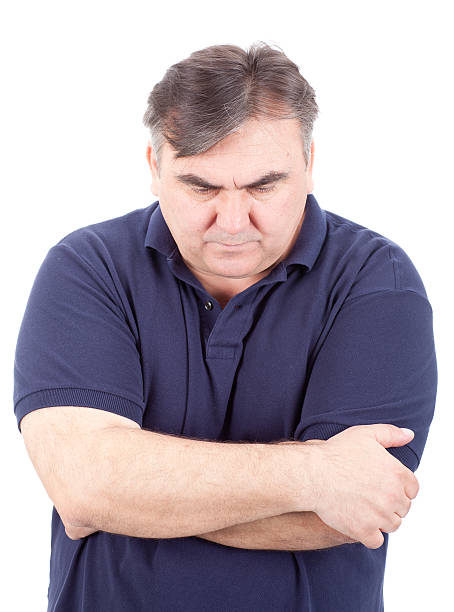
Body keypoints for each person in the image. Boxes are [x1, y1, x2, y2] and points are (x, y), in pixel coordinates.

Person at [14, 41, 437, 612]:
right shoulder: (88, 267)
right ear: (153, 168)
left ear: (310, 165)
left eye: (264, 185)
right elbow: (85, 486)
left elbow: (351, 510)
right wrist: (316, 471)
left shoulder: (377, 281)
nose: (233, 222)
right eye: (201, 187)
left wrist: (133, 493)